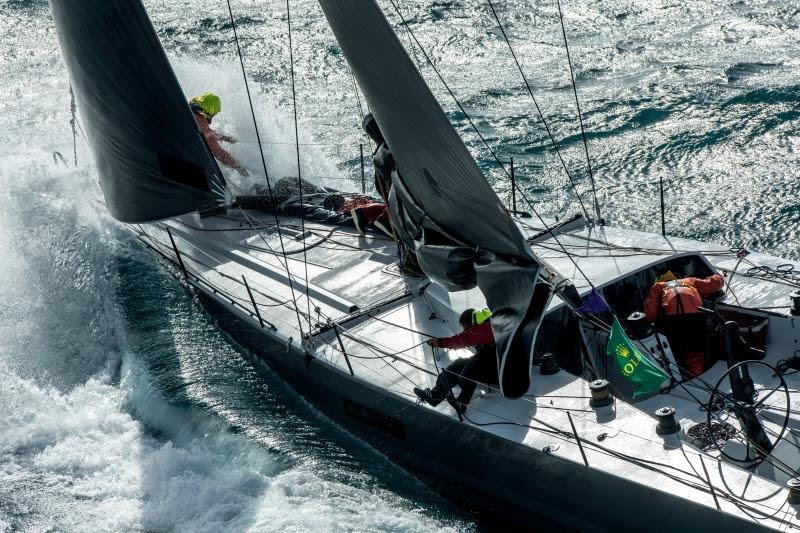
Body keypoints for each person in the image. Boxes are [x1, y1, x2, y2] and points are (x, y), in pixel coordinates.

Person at [414, 308, 497, 414]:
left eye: (464, 327)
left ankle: (461, 403)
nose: (464, 331)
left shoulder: (482, 330)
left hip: (498, 372)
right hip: (490, 366)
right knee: (460, 364)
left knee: (473, 365)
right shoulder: (486, 326)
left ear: (470, 323)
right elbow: (467, 338)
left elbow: (461, 339)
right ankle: (436, 395)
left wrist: (439, 342)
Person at [644, 271, 725, 376]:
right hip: (695, 318)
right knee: (696, 351)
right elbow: (714, 284)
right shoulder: (690, 281)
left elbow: (650, 315)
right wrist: (720, 276)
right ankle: (700, 374)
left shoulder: (658, 287)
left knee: (678, 351)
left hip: (673, 322)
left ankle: (687, 375)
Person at [189, 92, 248, 175]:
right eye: (214, 113)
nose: (214, 115)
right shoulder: (201, 123)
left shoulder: (190, 113)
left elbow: (207, 135)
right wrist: (238, 166)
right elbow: (219, 153)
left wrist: (224, 137)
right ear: (210, 109)